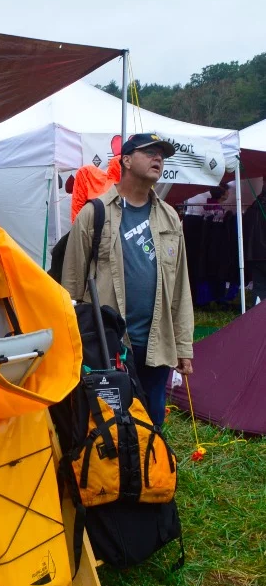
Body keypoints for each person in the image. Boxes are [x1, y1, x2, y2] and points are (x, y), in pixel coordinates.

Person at [62, 132, 194, 427]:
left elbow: (180, 288)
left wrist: (184, 346)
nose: (158, 158)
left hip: (156, 344)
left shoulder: (171, 218)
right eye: (149, 151)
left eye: (161, 154)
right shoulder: (94, 214)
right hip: (109, 343)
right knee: (111, 424)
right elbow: (69, 287)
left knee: (153, 420)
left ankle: (152, 471)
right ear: (125, 160)